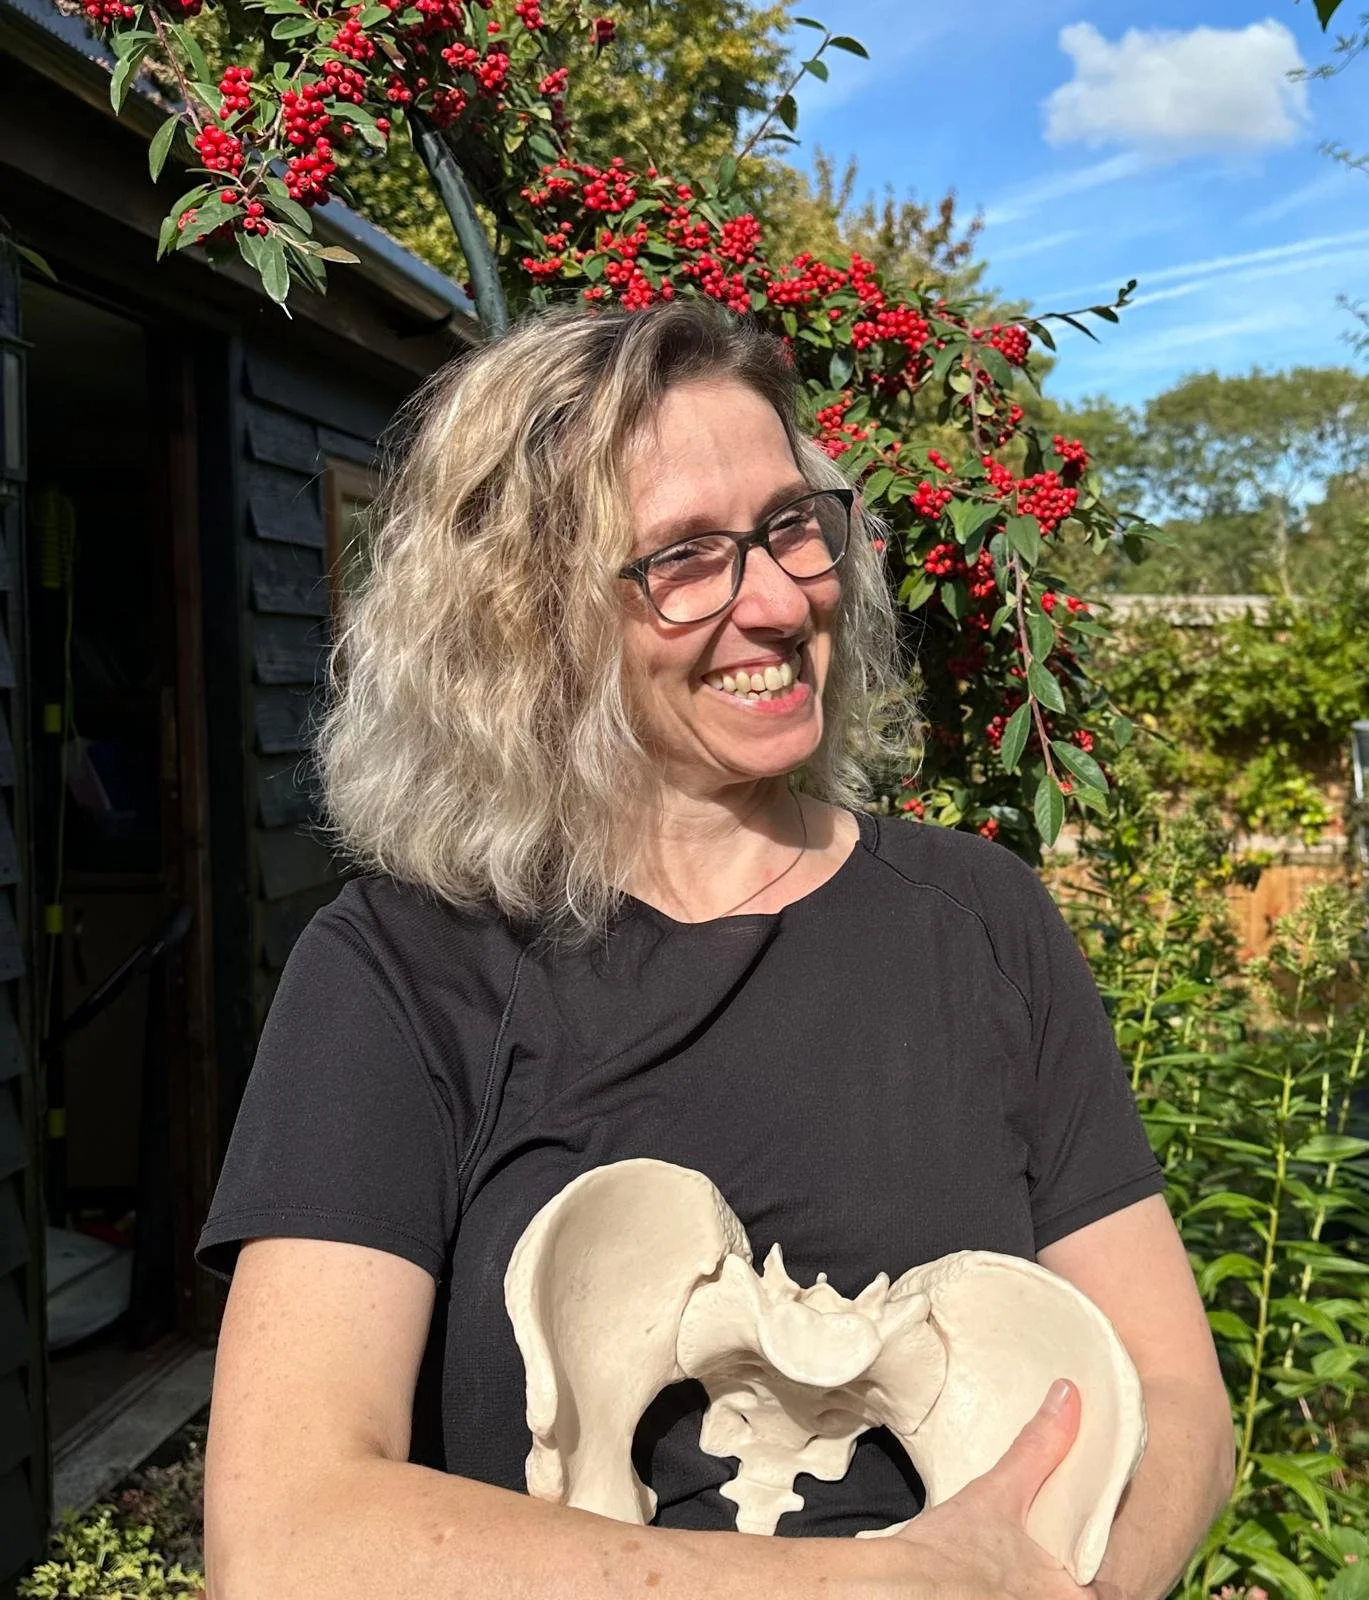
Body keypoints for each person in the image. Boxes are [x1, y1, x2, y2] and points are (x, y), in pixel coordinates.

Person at [196, 301, 1233, 1600]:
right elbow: (285, 1536)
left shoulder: (982, 919)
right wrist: (887, 1588)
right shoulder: (403, 969)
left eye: (794, 527)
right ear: (527, 613)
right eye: (686, 556)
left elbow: (1181, 1398)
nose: (782, 599)